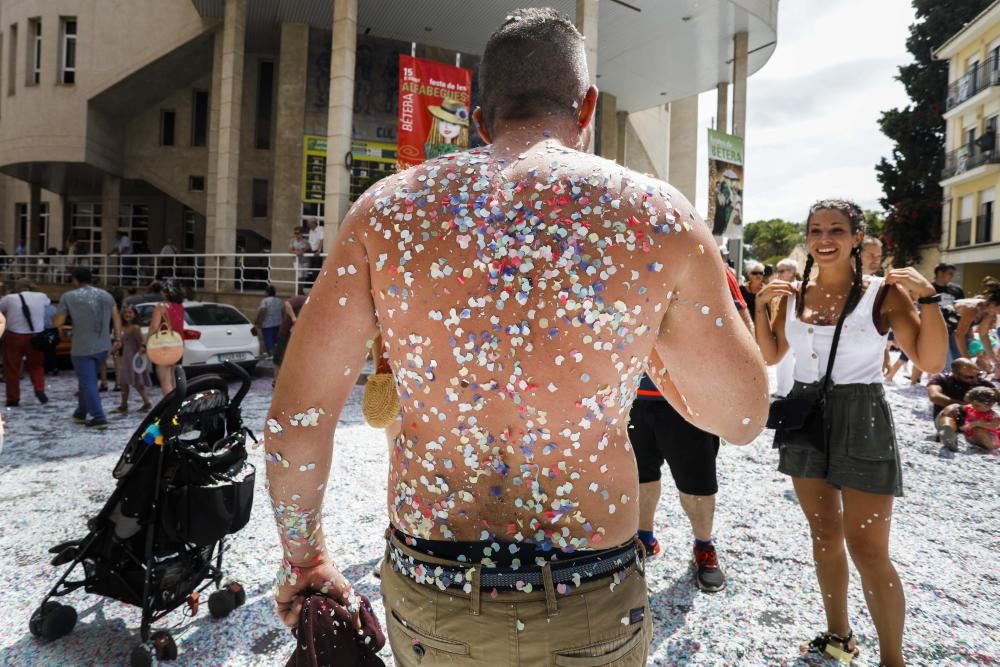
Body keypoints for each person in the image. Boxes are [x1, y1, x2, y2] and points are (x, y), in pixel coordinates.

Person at [264, 8, 768, 666]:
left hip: (433, 601)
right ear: (587, 106)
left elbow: (295, 425)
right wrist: (647, 353)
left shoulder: (383, 213)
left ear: (479, 117)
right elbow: (742, 412)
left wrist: (305, 558)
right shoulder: (656, 216)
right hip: (592, 601)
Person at [754, 199, 947, 667]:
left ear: (857, 238)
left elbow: (931, 361)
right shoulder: (793, 293)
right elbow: (773, 354)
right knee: (823, 534)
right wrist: (763, 307)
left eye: (836, 230)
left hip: (862, 414)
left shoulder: (883, 293)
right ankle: (838, 636)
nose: (824, 240)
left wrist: (929, 300)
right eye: (816, 230)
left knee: (868, 548)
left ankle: (892, 660)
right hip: (805, 411)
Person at [628, 266, 752, 593]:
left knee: (696, 485)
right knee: (639, 476)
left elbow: (741, 326)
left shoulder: (708, 266)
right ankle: (643, 541)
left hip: (689, 400)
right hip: (631, 397)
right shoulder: (624, 255)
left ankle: (704, 546)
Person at [53, 267, 122, 429]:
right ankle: (80, 413)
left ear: (75, 279)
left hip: (81, 347)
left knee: (89, 382)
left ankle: (99, 417)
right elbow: (116, 316)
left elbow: (58, 322)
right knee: (87, 381)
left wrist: (54, 317)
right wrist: (117, 338)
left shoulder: (68, 296)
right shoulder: (106, 295)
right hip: (103, 346)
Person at [0, 279, 51, 406]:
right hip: (35, 336)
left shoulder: (9, 298)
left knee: (12, 368)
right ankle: (39, 388)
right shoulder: (41, 296)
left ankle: (13, 398)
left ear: (18, 287)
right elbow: (47, 303)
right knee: (36, 365)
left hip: (14, 335)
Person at [927, 358, 994, 451]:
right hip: (947, 416)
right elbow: (934, 396)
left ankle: (983, 442)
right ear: (955, 374)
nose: (975, 380)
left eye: (978, 374)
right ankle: (948, 435)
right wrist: (964, 405)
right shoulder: (942, 379)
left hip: (972, 422)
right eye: (970, 377)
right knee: (952, 409)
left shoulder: (981, 383)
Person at [146, 282, 185, 395]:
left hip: (163, 346)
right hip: (178, 345)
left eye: (163, 290)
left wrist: (145, 344)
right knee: (173, 379)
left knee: (165, 381)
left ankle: (170, 408)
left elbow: (154, 327)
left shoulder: (161, 307)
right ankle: (177, 405)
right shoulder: (180, 307)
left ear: (166, 293)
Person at [936, 386, 1000, 453]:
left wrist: (976, 423)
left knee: (978, 429)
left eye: (977, 405)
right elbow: (958, 407)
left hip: (990, 440)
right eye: (972, 404)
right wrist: (951, 409)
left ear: (990, 405)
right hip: (972, 437)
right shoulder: (971, 408)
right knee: (954, 408)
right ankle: (947, 435)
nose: (974, 407)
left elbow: (994, 425)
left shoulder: (992, 415)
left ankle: (993, 449)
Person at [115, 304, 152, 413]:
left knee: (136, 382)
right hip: (126, 358)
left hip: (133, 359)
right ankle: (125, 404)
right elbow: (122, 342)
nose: (127, 314)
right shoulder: (125, 327)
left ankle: (145, 402)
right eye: (125, 312)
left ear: (135, 315)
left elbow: (141, 341)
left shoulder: (135, 328)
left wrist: (142, 348)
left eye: (130, 312)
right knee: (124, 382)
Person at [773, 258, 800, 398]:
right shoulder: (778, 287)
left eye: (782, 271)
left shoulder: (798, 287)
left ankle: (788, 390)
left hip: (792, 329)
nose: (779, 274)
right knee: (782, 361)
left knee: (790, 361)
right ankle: (782, 389)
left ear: (792, 272)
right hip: (781, 329)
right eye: (778, 271)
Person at [271, 292, 307, 380]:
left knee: (293, 358)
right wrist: (293, 317)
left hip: (297, 336)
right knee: (279, 356)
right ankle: (276, 380)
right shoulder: (302, 299)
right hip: (285, 332)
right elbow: (287, 304)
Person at [256, 285, 284, 356]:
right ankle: (276, 358)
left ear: (267, 292)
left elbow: (263, 310)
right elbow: (283, 311)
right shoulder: (279, 301)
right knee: (275, 343)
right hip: (278, 324)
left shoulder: (265, 301)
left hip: (267, 325)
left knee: (269, 344)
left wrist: (258, 321)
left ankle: (272, 359)